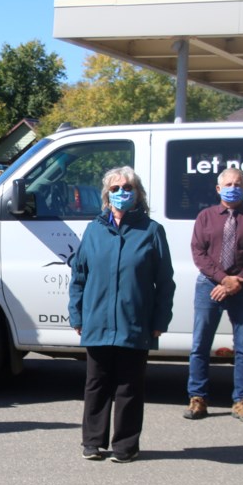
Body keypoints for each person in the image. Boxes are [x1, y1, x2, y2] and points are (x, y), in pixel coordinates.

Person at [68, 166, 175, 463]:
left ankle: (126, 446)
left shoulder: (152, 231)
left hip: (135, 321)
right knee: (96, 383)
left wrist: (159, 320)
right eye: (115, 189)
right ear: (106, 196)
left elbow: (165, 281)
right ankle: (93, 442)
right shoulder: (94, 229)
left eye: (127, 187)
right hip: (97, 320)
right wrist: (77, 315)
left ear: (138, 193)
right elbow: (79, 275)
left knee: (129, 386)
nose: (121, 192)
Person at [186, 167, 243, 423]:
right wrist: (223, 279)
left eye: (238, 183)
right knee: (200, 344)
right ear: (218, 188)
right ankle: (197, 398)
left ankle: (242, 401)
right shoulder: (205, 216)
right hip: (209, 285)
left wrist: (237, 281)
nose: (233, 187)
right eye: (229, 183)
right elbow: (198, 252)